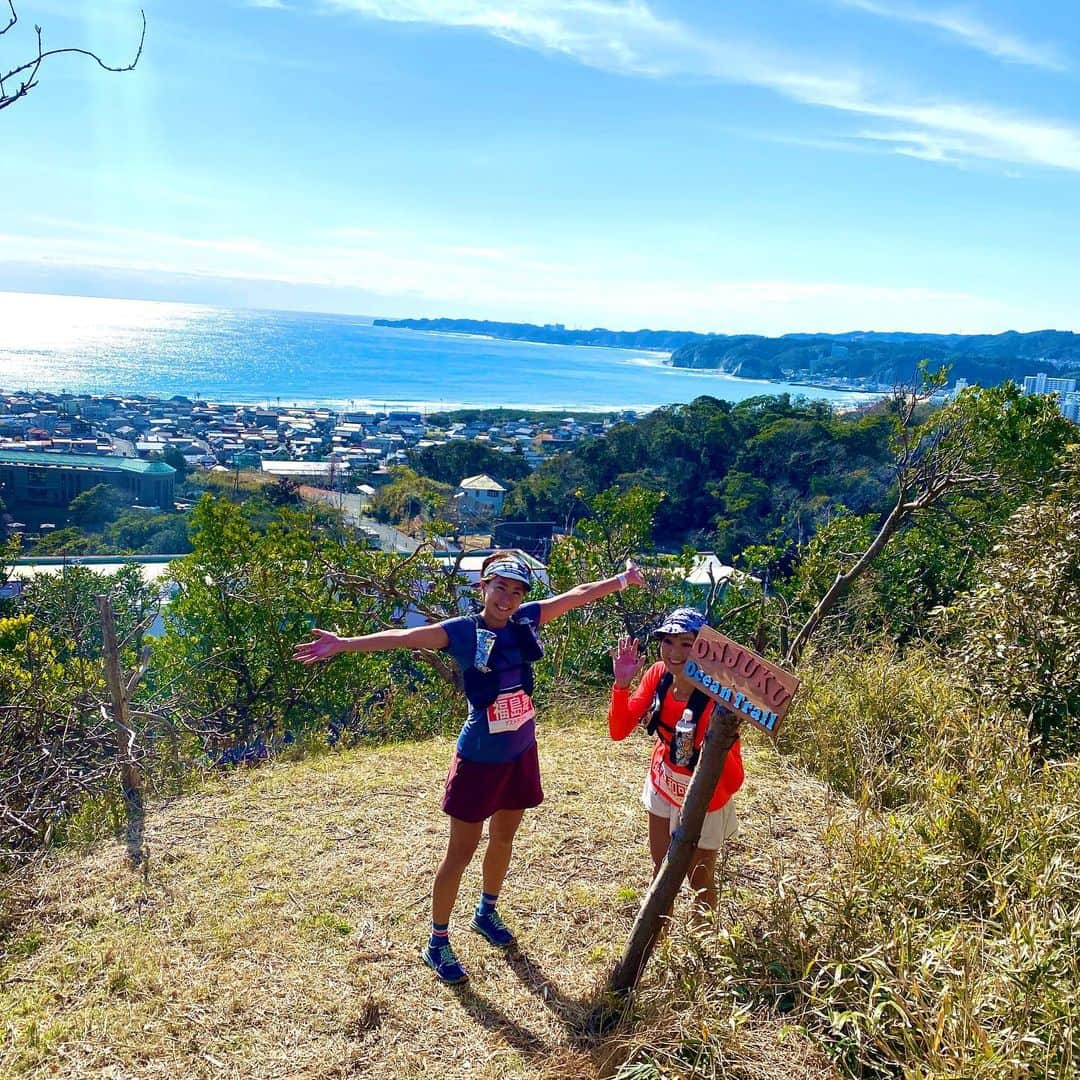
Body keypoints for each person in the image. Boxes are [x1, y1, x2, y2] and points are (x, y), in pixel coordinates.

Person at [294, 549, 644, 985]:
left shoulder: (526, 621)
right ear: (483, 587)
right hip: (479, 755)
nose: (508, 599)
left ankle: (486, 911)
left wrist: (623, 580)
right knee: (461, 851)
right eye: (501, 588)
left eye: (517, 592)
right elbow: (404, 638)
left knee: (504, 837)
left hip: (520, 750)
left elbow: (576, 595)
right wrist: (345, 645)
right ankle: (437, 941)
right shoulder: (463, 631)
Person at [608, 607, 743, 914]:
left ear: (704, 648)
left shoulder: (719, 697)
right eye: (668, 641)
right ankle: (657, 936)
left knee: (700, 881)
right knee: (660, 870)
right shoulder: (659, 675)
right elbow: (618, 731)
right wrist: (621, 685)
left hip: (704, 796)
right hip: (663, 781)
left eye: (687, 643)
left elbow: (734, 779)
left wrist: (721, 738)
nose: (675, 652)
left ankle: (704, 947)